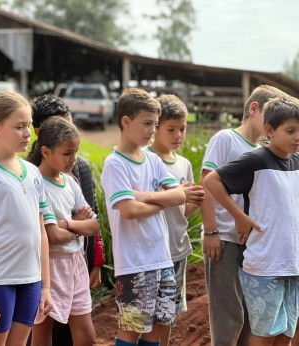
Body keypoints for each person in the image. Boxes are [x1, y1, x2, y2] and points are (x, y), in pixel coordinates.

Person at [203, 96, 299, 346]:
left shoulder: (297, 162)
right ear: (269, 131)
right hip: (264, 263)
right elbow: (210, 181)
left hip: (292, 263)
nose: (297, 136)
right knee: (263, 334)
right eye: (291, 131)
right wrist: (239, 216)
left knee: (286, 334)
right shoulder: (255, 160)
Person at [0, 91, 54, 346]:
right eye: (19, 127)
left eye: (29, 126)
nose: (29, 133)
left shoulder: (34, 173)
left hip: (31, 279)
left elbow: (41, 231)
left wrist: (45, 286)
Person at [101, 88, 189, 346]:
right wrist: (160, 200)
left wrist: (143, 196)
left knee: (157, 328)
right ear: (126, 122)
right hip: (135, 263)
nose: (152, 130)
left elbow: (180, 196)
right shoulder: (115, 164)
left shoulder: (152, 159)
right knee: (132, 329)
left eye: (155, 124)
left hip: (161, 259)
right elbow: (129, 210)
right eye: (147, 124)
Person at [29, 117, 98, 346]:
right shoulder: (36, 182)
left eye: (76, 151)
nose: (74, 159)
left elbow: (93, 226)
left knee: (86, 336)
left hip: (75, 263)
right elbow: (53, 236)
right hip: (49, 265)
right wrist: (78, 225)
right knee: (43, 333)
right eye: (67, 153)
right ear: (46, 152)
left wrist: (67, 224)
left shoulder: (70, 182)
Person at [145, 95, 204, 344]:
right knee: (146, 315)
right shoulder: (145, 160)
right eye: (171, 129)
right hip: (150, 250)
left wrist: (193, 202)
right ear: (155, 127)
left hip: (177, 249)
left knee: (168, 314)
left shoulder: (184, 164)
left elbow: (181, 212)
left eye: (182, 129)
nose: (178, 135)